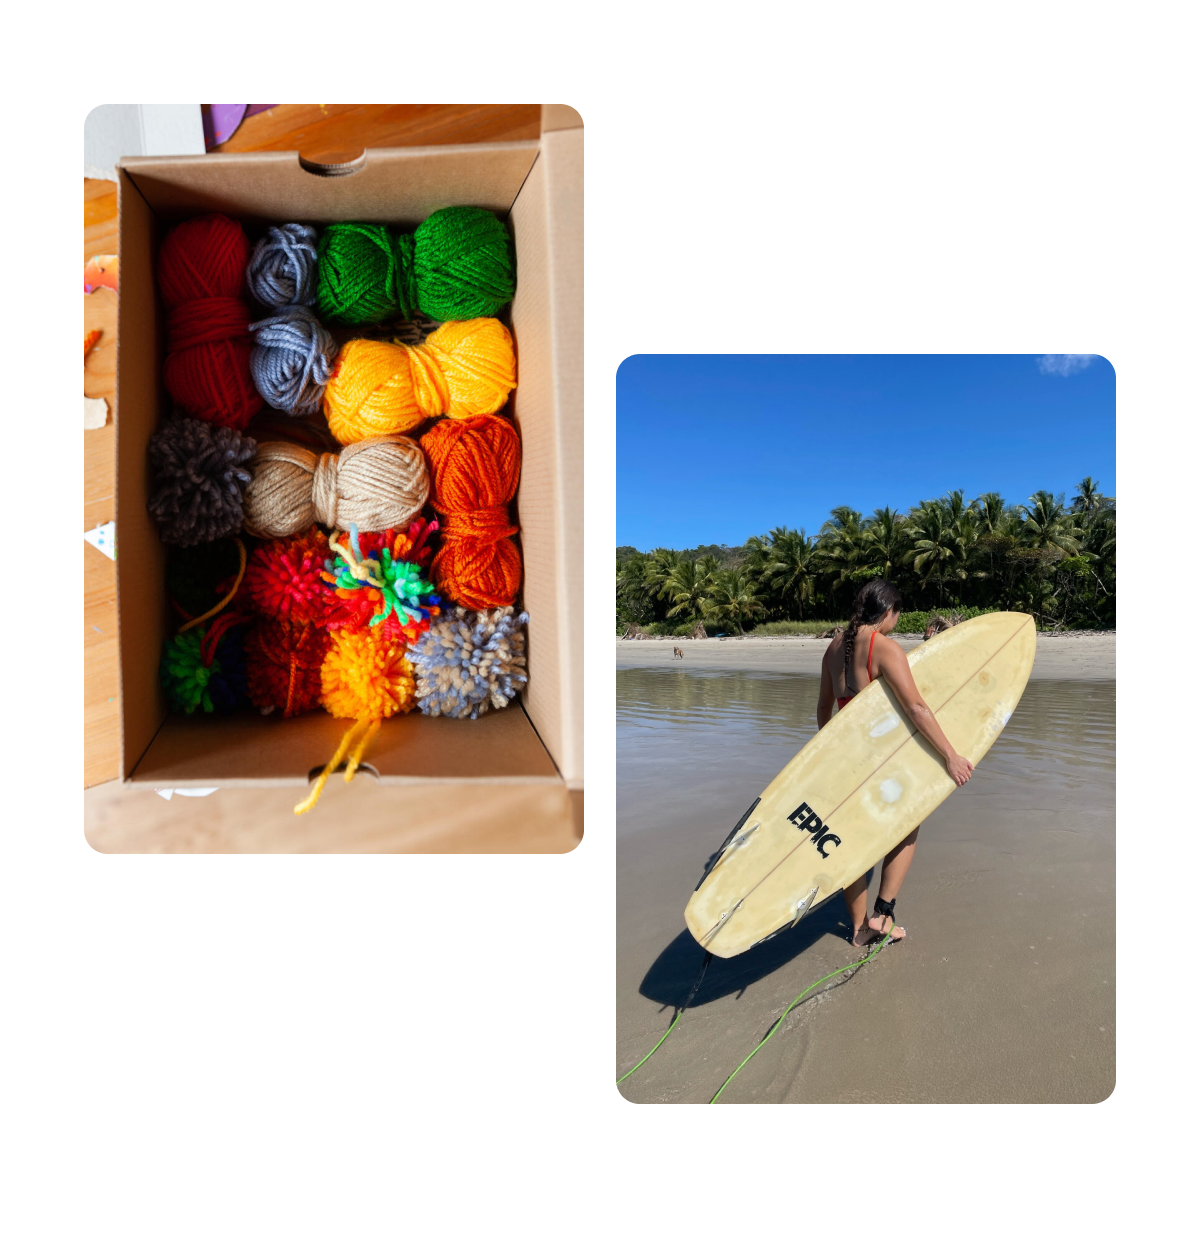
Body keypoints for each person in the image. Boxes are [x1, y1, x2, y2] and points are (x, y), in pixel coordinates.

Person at [816, 579, 975, 948]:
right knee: (906, 826)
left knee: (852, 844)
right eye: (897, 615)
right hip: (880, 761)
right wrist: (951, 756)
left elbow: (824, 709)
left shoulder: (834, 646)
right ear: (888, 611)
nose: (897, 623)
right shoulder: (884, 648)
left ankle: (859, 930)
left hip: (844, 762)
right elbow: (916, 707)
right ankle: (883, 914)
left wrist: (828, 757)